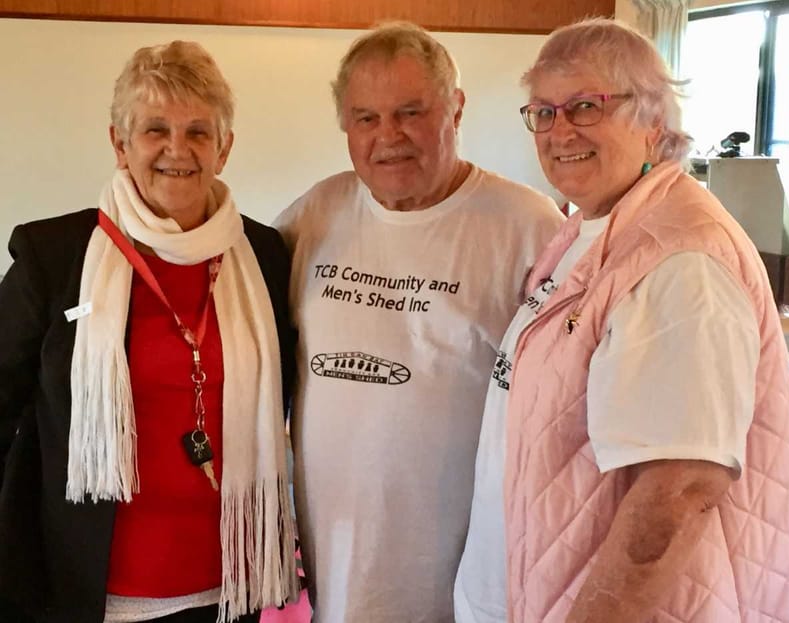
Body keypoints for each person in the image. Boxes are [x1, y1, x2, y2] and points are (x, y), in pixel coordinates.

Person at [495, 18, 789, 623]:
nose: (560, 131)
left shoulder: (682, 260)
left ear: (654, 122)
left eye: (586, 106)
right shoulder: (588, 229)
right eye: (544, 112)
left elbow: (680, 490)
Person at [273, 21, 563, 623]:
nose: (389, 137)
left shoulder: (525, 226)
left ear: (456, 108)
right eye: (366, 118)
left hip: (469, 567)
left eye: (411, 112)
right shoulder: (314, 215)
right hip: (335, 560)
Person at [0, 41, 298, 623]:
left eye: (198, 132)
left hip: (227, 589)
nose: (176, 150)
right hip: (85, 591)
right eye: (154, 129)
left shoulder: (264, 256)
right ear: (119, 142)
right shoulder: (53, 255)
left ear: (225, 147)